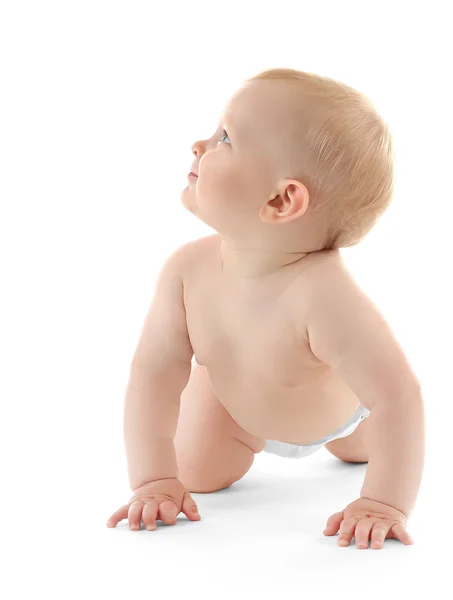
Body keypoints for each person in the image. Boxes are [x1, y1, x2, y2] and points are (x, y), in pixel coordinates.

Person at [106, 68, 425, 550]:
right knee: (195, 475)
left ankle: (354, 443)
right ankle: (213, 407)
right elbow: (153, 373)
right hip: (234, 409)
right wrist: (152, 478)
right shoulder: (187, 270)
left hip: (339, 416)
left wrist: (384, 502)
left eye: (226, 138)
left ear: (281, 200)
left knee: (367, 446)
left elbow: (398, 396)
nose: (200, 144)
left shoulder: (324, 294)